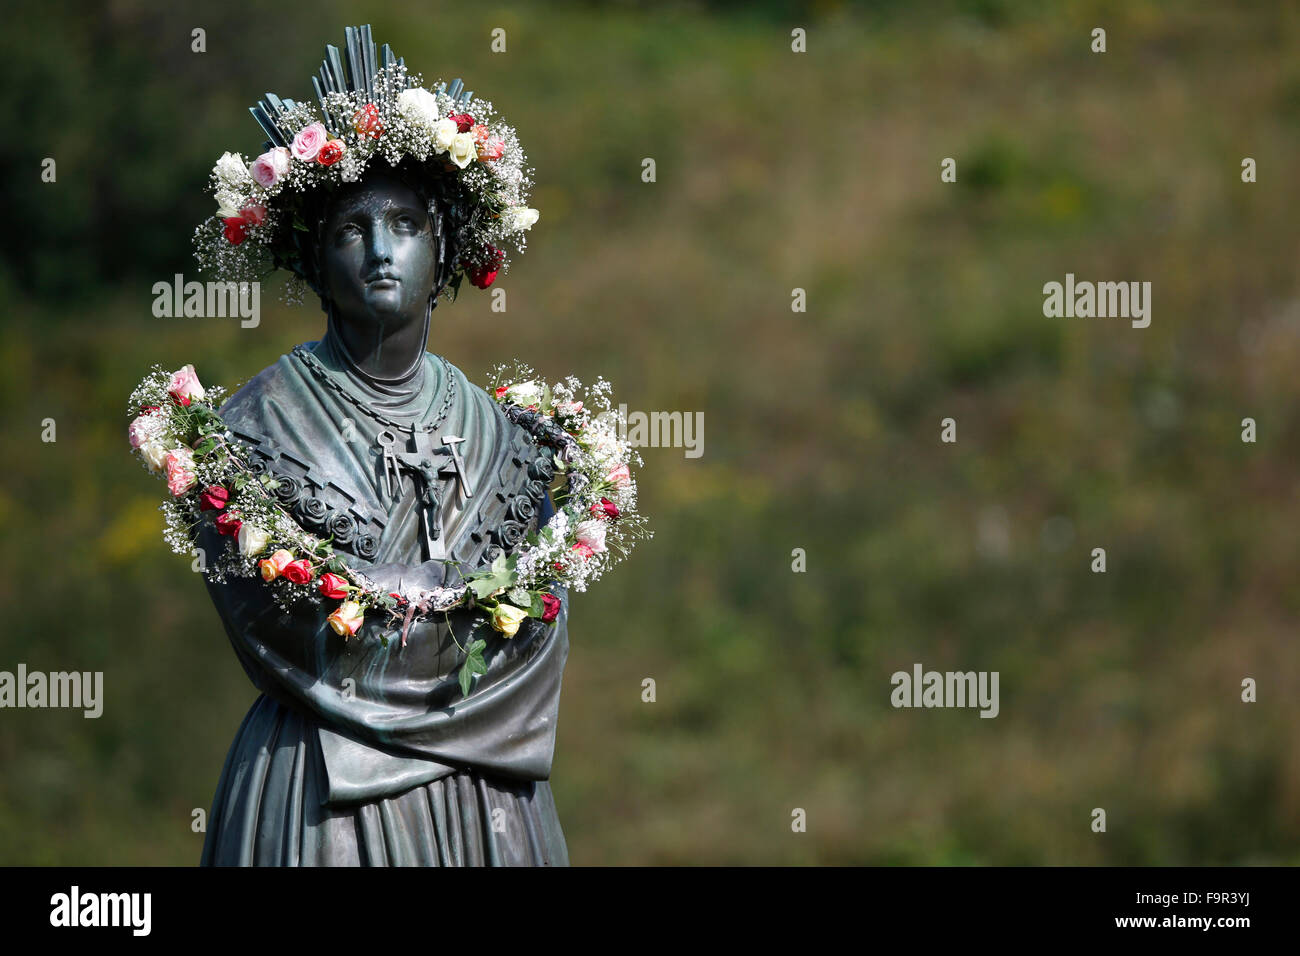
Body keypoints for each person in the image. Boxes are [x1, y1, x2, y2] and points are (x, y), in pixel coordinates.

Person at [194, 30, 568, 866]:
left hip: (486, 802)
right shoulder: (249, 429)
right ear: (315, 261)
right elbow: (281, 631)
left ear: (444, 250)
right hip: (321, 795)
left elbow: (539, 635)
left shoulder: (511, 435)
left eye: (404, 223)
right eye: (349, 229)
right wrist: (453, 653)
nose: (378, 248)